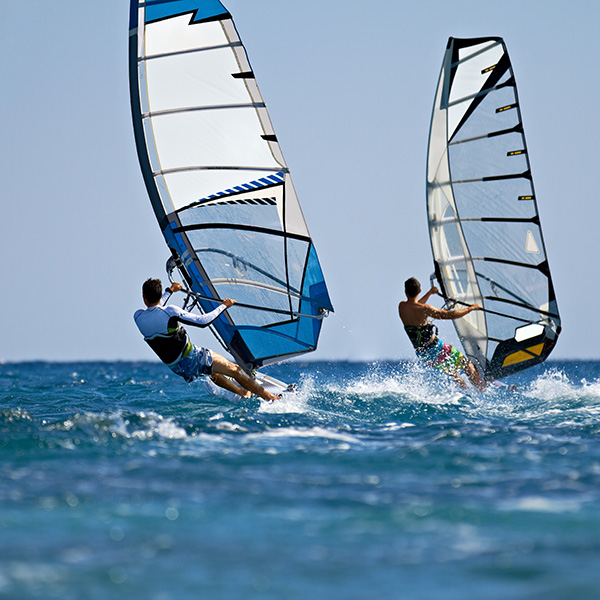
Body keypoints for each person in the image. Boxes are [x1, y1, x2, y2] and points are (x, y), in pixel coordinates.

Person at [134, 278, 280, 401]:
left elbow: (156, 309)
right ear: (159, 295)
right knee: (235, 370)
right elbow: (202, 321)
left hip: (178, 368)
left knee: (212, 371)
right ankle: (270, 398)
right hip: (192, 357)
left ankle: (242, 392)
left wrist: (170, 291)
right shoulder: (170, 311)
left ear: (143, 296)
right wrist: (224, 306)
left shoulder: (138, 317)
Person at [398, 277, 486, 391]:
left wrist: (429, 293)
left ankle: (466, 391)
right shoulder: (425, 309)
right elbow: (450, 315)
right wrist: (471, 308)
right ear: (419, 291)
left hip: (423, 355)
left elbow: (415, 305)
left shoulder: (402, 307)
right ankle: (482, 390)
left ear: (405, 292)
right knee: (466, 364)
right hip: (435, 348)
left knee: (451, 370)